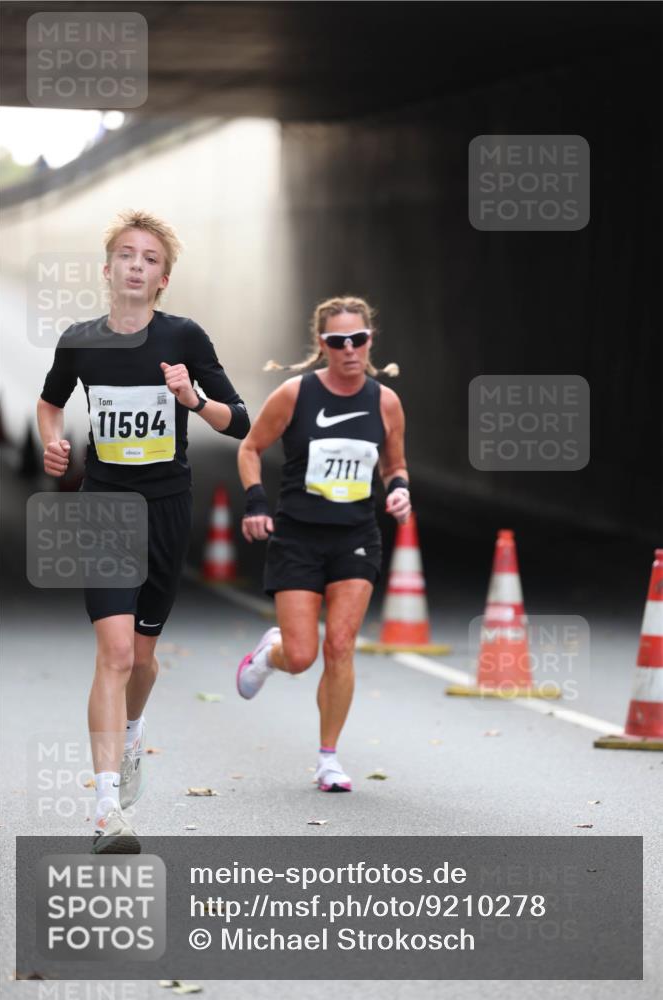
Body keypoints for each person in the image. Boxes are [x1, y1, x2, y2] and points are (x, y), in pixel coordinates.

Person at [37, 210, 249, 852]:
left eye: (150, 259)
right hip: (105, 507)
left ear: (163, 279)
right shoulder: (79, 340)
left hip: (166, 508)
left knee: (144, 659)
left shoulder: (184, 338)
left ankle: (132, 734)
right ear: (107, 270)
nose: (136, 265)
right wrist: (53, 442)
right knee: (116, 653)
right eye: (126, 255)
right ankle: (107, 810)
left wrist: (193, 400)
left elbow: (239, 421)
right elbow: (50, 403)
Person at [236, 295, 411, 792]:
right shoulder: (295, 394)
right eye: (338, 341)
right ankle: (269, 655)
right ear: (323, 344)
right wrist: (255, 503)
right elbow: (250, 448)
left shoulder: (385, 402)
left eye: (358, 339)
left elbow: (394, 464)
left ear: (370, 340)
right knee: (301, 655)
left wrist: (399, 490)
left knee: (339, 646)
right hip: (298, 537)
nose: (349, 349)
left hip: (356, 537)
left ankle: (328, 760)